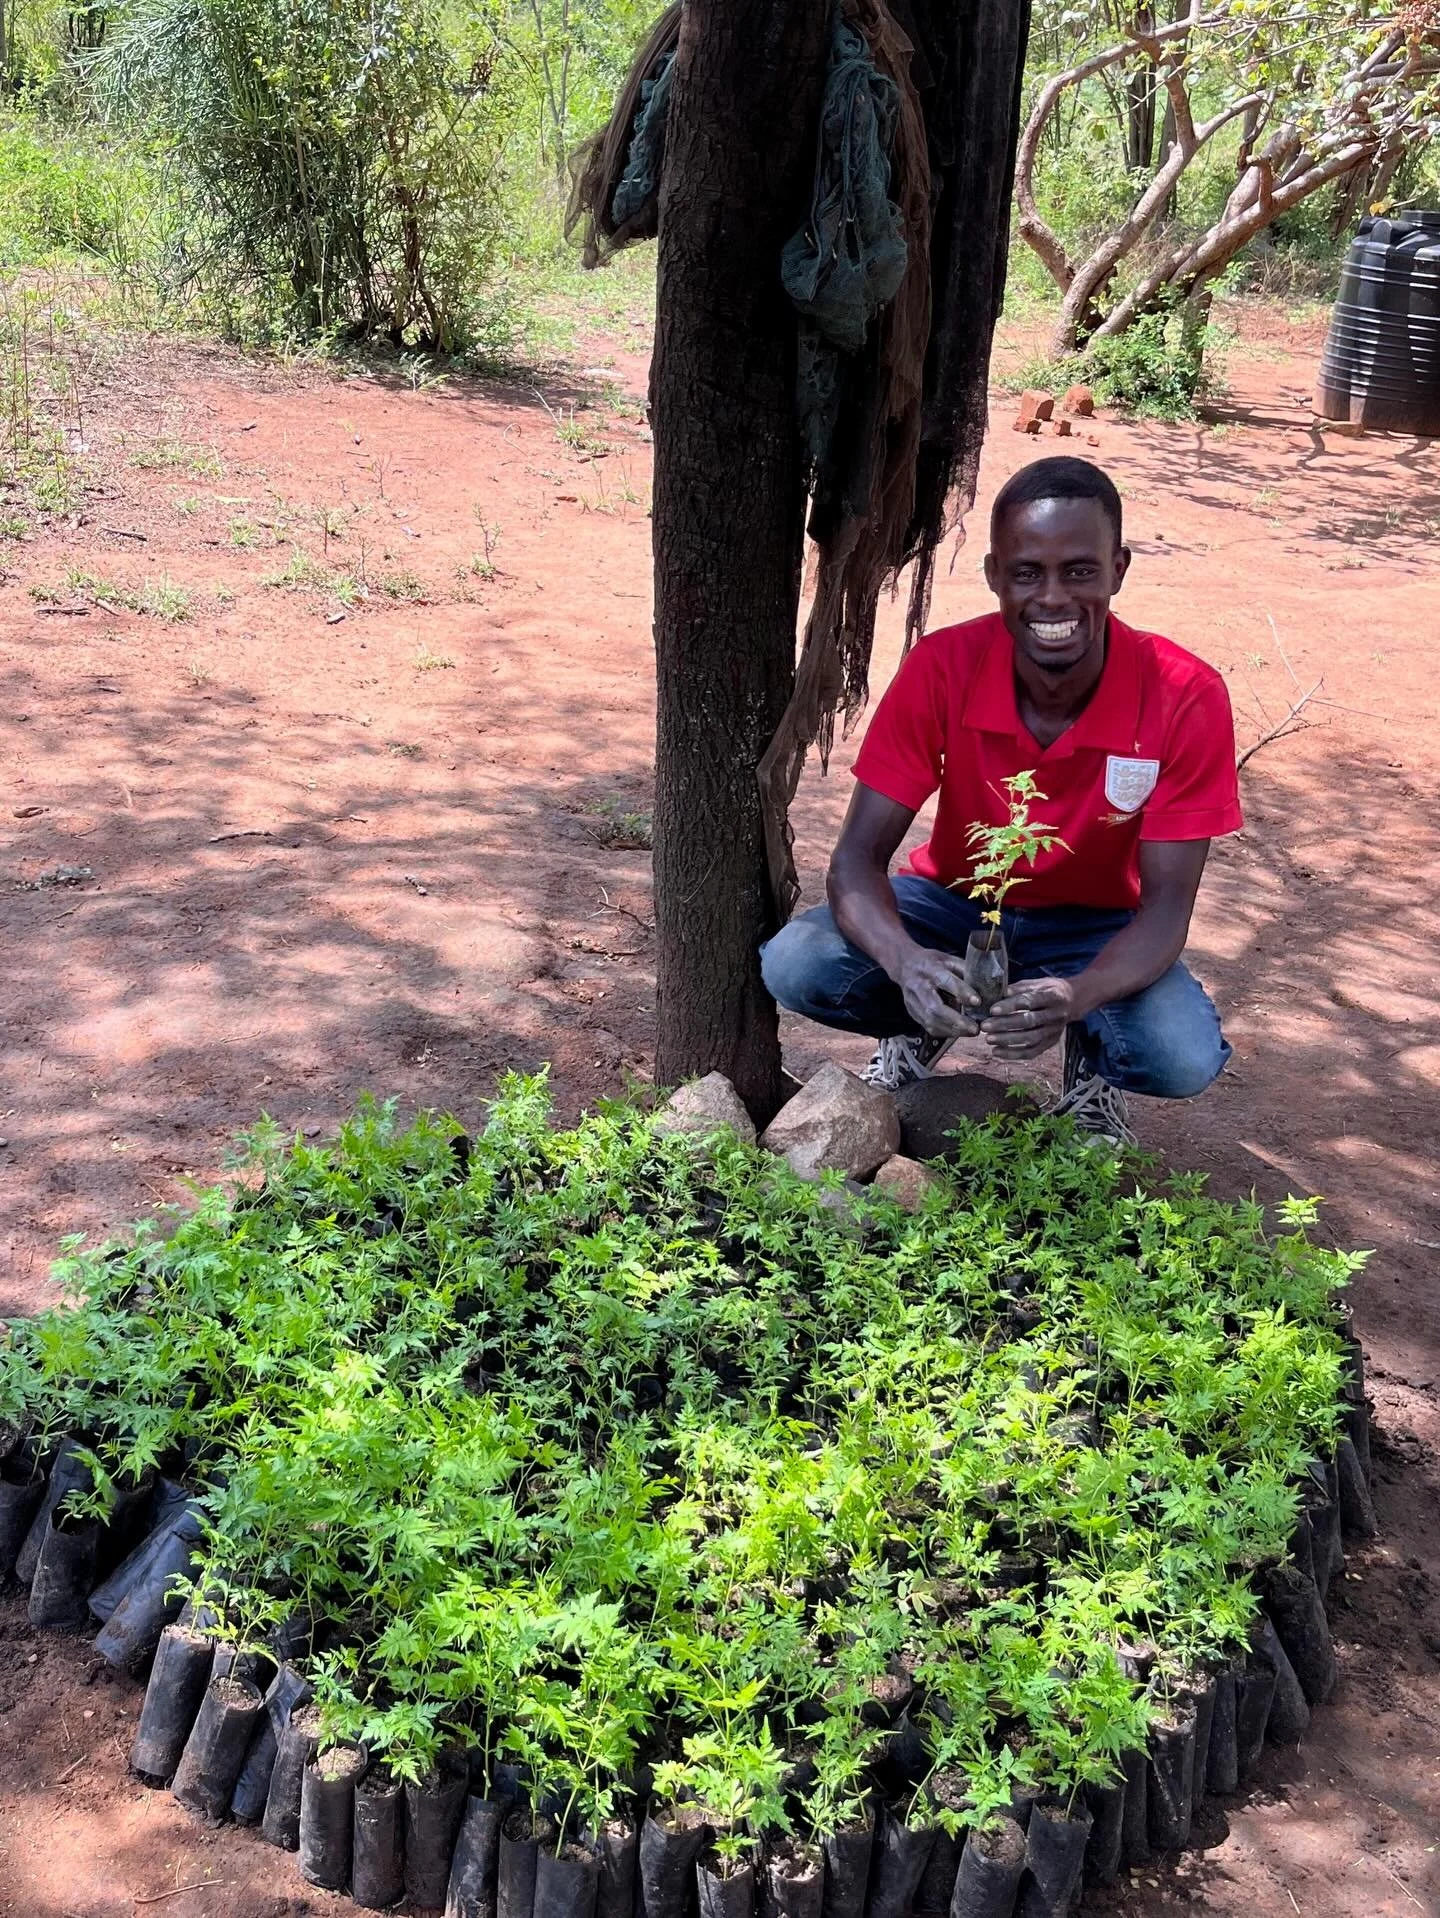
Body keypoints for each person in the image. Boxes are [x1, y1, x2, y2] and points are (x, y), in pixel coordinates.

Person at [760, 456, 1243, 1145]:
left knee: (1178, 1054)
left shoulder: (1183, 693)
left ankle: (1092, 1073)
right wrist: (908, 964)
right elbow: (855, 864)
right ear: (994, 575)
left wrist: (1078, 994)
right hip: (955, 905)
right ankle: (917, 1026)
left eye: (1079, 570)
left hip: (1097, 927)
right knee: (798, 963)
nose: (1052, 598)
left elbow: (1166, 909)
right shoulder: (943, 667)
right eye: (1027, 572)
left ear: (1119, 569)